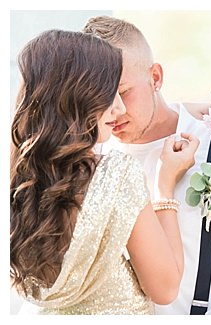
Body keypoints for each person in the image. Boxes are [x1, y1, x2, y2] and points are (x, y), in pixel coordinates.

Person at [82, 16, 211, 315]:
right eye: (98, 96)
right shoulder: (87, 163)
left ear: (155, 77)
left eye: (123, 91)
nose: (113, 109)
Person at [10, 29, 199, 314]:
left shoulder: (19, 182)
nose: (119, 108)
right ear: (77, 98)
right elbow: (165, 287)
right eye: (110, 93)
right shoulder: (115, 176)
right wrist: (165, 189)